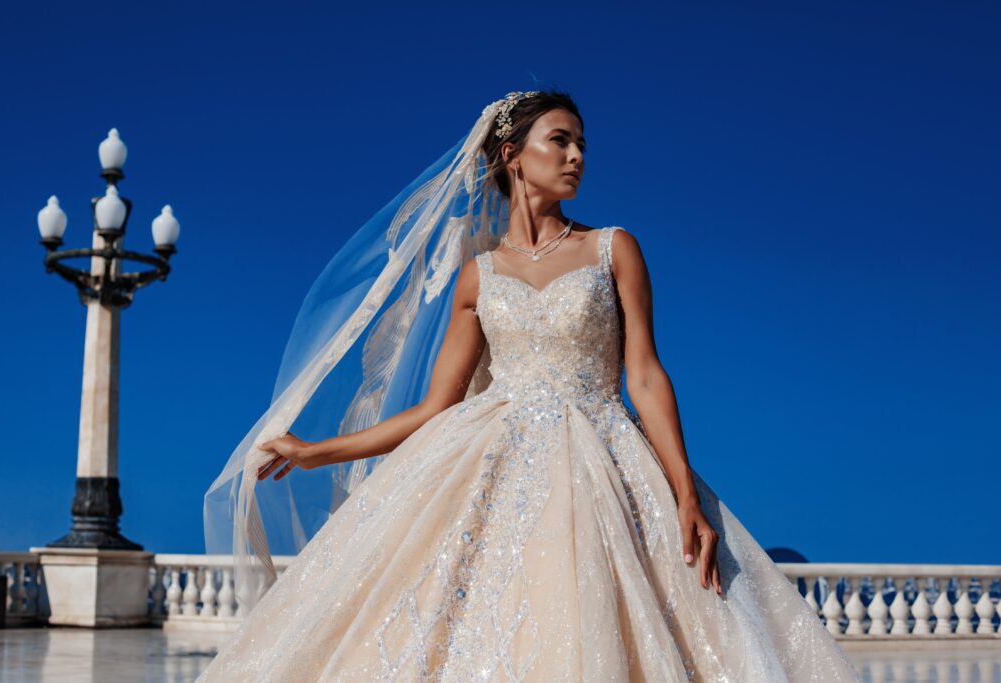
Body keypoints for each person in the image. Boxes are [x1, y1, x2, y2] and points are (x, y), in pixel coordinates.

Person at [197, 90, 862, 681]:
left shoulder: (613, 248)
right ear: (514, 155)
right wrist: (318, 449)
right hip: (485, 455)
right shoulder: (477, 275)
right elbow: (436, 406)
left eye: (581, 145)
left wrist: (684, 488)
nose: (576, 156)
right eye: (560, 140)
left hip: (602, 456)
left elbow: (645, 375)